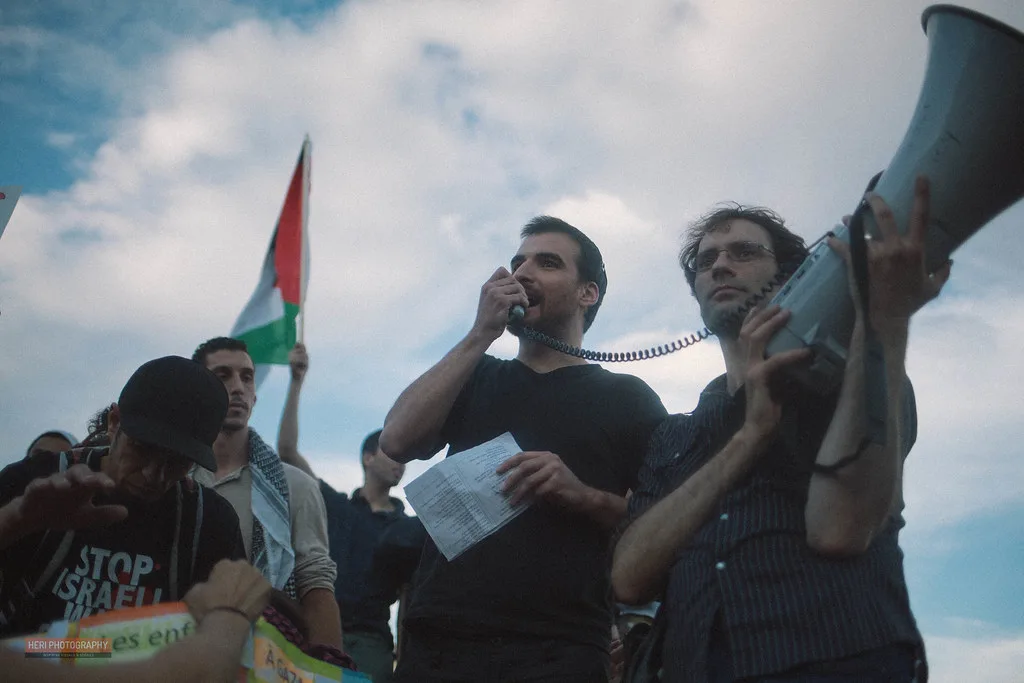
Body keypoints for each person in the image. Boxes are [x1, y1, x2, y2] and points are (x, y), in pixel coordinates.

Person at [612, 178, 951, 682]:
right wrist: (749, 437)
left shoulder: (852, 380)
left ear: (790, 275)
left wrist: (883, 319)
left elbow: (840, 529)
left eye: (744, 252)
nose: (719, 266)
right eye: (705, 261)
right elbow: (629, 578)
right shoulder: (675, 436)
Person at [380, 216, 668, 682]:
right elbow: (397, 440)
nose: (522, 273)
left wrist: (583, 496)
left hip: (559, 648)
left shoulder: (627, 398)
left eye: (547, 263)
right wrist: (480, 333)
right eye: (518, 263)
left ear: (588, 293)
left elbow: (662, 525)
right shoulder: (476, 374)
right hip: (439, 642)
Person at [0, 356, 246, 636]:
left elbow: (231, 635)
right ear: (114, 422)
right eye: (142, 448)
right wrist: (16, 521)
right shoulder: (35, 482)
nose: (154, 474)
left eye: (178, 461)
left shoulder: (210, 522)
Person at [191, 337, 342, 649]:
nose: (238, 387)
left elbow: (315, 586)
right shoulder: (171, 478)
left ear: (255, 396)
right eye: (223, 376)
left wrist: (328, 665)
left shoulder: (295, 487)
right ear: (195, 391)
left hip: (264, 657)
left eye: (247, 377)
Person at [277, 342, 410, 683]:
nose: (401, 463)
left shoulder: (406, 529)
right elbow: (287, 451)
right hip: (316, 630)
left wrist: (406, 652)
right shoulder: (335, 506)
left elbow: (408, 594)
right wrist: (296, 381)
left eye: (404, 458)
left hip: (371, 644)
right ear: (368, 458)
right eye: (393, 454)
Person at [1, 554, 271, 683]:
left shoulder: (206, 513)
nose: (153, 475)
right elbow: (200, 676)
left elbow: (39, 650)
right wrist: (228, 615)